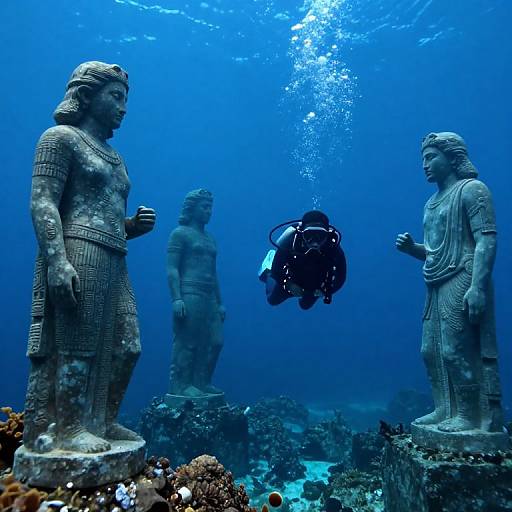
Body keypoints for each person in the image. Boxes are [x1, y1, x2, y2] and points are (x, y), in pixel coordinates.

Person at [22, 61, 156, 455]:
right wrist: (57, 260)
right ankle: (68, 428)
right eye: (115, 96)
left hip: (115, 255)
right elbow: (43, 201)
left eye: (125, 98)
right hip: (79, 248)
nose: (123, 107)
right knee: (77, 343)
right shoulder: (59, 139)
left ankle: (103, 418)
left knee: (128, 345)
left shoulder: (117, 158)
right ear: (86, 95)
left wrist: (133, 225)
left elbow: (108, 212)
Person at [396, 132, 504, 436]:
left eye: (431, 157)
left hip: (464, 274)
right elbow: (433, 252)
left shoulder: (473, 191)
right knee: (430, 351)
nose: (425, 165)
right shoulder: (430, 204)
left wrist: (478, 286)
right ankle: (445, 407)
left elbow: (486, 238)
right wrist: (412, 250)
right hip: (436, 280)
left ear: (452, 157)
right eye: (423, 159)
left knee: (455, 348)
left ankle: (470, 416)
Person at [167, 189, 226, 397]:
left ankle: (202, 382)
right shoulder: (180, 233)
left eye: (211, 207)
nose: (209, 211)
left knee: (215, 341)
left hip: (209, 294)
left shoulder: (210, 239)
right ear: (192, 209)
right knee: (187, 341)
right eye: (205, 207)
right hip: (190, 291)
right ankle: (180, 385)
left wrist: (220, 302)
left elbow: (213, 271)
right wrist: (177, 298)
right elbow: (172, 268)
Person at [259, 210, 346, 310]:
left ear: (327, 235)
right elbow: (276, 270)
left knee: (305, 306)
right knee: (272, 300)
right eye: (309, 235)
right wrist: (288, 284)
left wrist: (325, 291)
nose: (314, 242)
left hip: (315, 286)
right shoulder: (291, 242)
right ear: (301, 233)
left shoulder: (333, 248)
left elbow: (341, 277)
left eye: (320, 236)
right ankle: (267, 269)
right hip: (290, 278)